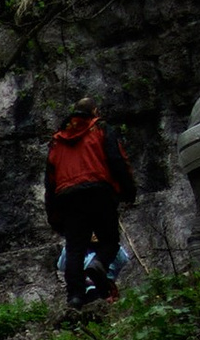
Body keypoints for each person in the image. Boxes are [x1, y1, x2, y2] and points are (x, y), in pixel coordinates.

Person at [45, 97, 137, 312]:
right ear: (94, 111)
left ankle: (75, 297)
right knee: (110, 241)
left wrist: (54, 215)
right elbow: (117, 160)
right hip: (99, 191)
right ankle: (99, 266)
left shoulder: (57, 141)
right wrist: (128, 190)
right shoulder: (101, 129)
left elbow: (50, 181)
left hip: (68, 198)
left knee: (75, 249)